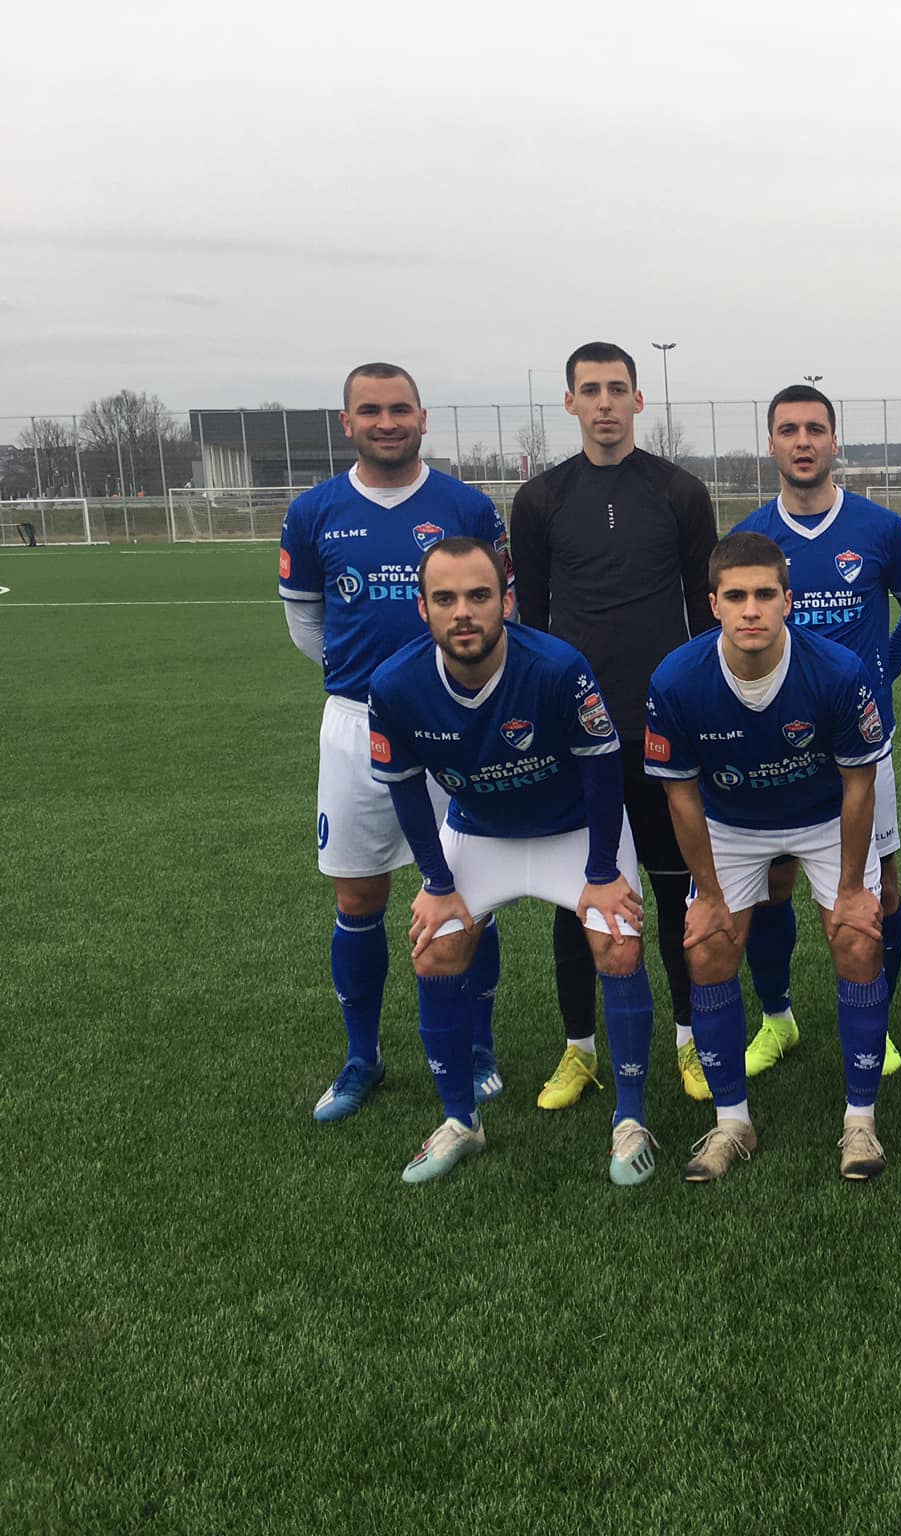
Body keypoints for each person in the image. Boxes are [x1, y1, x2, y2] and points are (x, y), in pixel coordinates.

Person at [368, 538, 657, 1186]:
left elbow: (602, 768)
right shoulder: (394, 685)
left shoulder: (557, 667)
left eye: (479, 595)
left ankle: (631, 1119)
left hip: (574, 831)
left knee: (618, 943)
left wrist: (602, 873)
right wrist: (437, 883)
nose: (462, 612)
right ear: (422, 609)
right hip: (481, 832)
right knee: (435, 949)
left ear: (507, 601)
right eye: (445, 598)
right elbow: (405, 788)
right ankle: (460, 1120)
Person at [279, 362, 511, 1123]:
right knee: (359, 895)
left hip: (457, 718)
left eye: (400, 409)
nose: (387, 423)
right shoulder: (314, 511)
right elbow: (307, 622)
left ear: (422, 418)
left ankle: (477, 1049)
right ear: (347, 422)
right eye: (371, 411)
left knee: (471, 891)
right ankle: (362, 1058)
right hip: (356, 721)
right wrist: (372, 683)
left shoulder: (467, 506)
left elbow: (503, 609)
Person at [643, 532, 893, 1182]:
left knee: (858, 938)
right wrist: (710, 897)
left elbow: (859, 786)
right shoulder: (676, 679)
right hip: (732, 822)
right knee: (707, 947)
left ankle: (860, 1121)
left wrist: (851, 890)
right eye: (735, 597)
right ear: (713, 605)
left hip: (824, 816)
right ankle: (733, 1122)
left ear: (788, 600)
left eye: (763, 594)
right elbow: (681, 798)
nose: (750, 609)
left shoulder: (837, 671)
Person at [509, 342, 716, 1112]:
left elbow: (705, 621)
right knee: (580, 902)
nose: (605, 403)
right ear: (569, 402)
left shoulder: (680, 491)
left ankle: (691, 1040)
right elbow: (531, 627)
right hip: (579, 740)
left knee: (675, 895)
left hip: (661, 735)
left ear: (638, 400)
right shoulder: (540, 500)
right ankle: (579, 1050)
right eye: (590, 390)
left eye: (617, 389)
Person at [729, 384, 901, 1085]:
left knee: (882, 886)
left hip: (861, 745)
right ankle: (777, 1017)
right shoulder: (751, 539)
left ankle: (878, 1018)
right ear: (772, 444)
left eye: (815, 429)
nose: (803, 441)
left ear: (834, 441)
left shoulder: (880, 528)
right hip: (773, 745)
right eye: (789, 430)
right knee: (771, 883)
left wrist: (878, 675)